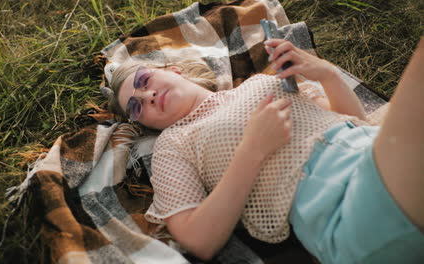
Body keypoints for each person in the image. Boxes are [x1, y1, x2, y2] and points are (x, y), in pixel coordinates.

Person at [106, 37, 424, 263]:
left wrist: (326, 74)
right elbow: (198, 240)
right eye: (136, 107)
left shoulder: (258, 82)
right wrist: (252, 150)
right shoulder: (172, 144)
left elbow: (353, 121)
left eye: (144, 80)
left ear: (174, 70)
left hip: (370, 152)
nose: (146, 95)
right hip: (342, 210)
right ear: (144, 123)